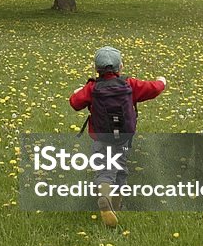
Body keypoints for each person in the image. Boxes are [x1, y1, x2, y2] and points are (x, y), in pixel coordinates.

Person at [69, 46, 167, 227]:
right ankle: (115, 206)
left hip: (101, 137)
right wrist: (162, 81)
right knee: (120, 169)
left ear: (96, 69)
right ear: (120, 67)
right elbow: (153, 89)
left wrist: (77, 92)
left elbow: (75, 103)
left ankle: (105, 196)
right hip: (123, 138)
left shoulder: (92, 88)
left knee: (105, 170)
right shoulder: (130, 84)